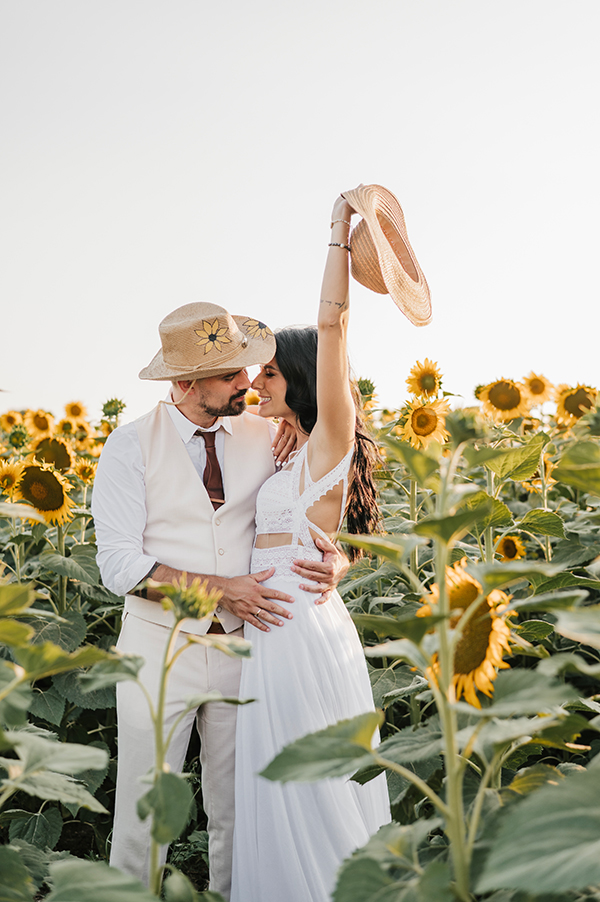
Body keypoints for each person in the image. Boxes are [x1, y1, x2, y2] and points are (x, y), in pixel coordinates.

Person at [91, 302, 348, 899]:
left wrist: (340, 560)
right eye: (231, 374)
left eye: (248, 369)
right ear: (187, 384)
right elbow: (118, 564)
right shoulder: (129, 447)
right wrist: (219, 589)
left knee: (239, 813)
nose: (248, 382)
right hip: (157, 653)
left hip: (246, 650)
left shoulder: (267, 433)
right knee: (145, 812)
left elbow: (320, 507)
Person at [230, 196, 391, 902]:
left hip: (297, 623)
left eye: (269, 373)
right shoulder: (284, 446)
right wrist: (344, 557)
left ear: (301, 375)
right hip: (271, 627)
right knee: (275, 780)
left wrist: (337, 229)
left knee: (311, 780)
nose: (254, 385)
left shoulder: (330, 438)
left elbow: (332, 325)